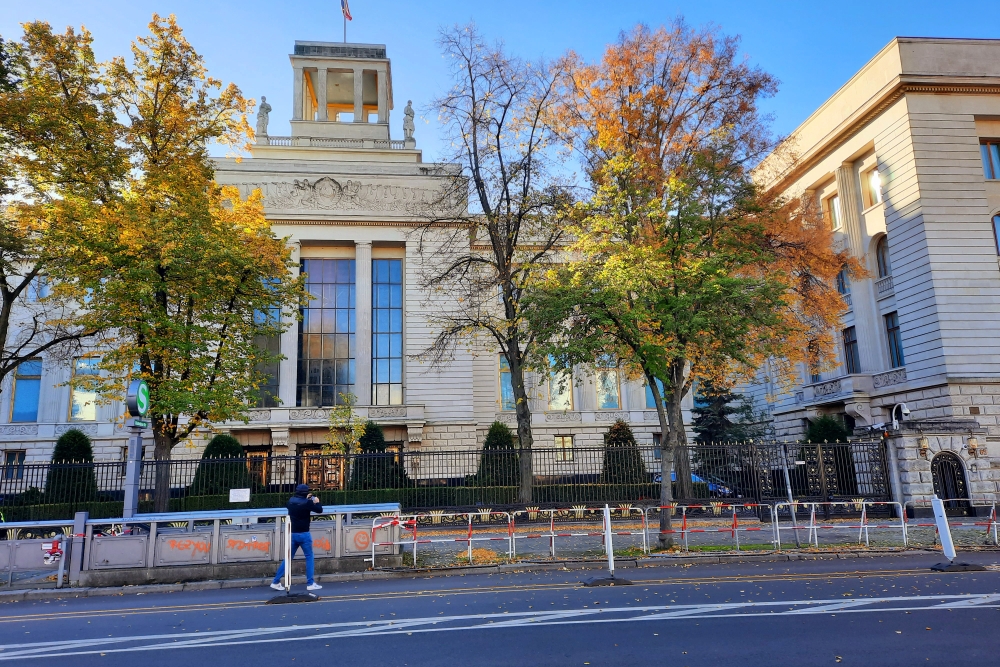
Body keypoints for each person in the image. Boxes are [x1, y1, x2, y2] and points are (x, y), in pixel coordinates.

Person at [270, 484, 324, 591]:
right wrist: (317, 502)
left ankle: (275, 581)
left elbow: (294, 504)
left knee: (288, 558)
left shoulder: (291, 501)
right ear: (306, 493)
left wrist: (305, 498)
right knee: (309, 557)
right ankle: (310, 583)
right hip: (304, 534)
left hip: (292, 533)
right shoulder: (307, 503)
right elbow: (319, 510)